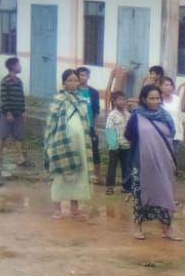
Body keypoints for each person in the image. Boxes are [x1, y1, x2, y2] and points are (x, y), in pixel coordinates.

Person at [125, 84, 180, 241]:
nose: (156, 101)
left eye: (158, 98)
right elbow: (129, 137)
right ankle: (138, 227)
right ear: (144, 99)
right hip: (142, 164)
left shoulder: (166, 117)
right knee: (141, 194)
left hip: (164, 164)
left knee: (165, 193)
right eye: (152, 98)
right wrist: (144, 151)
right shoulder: (136, 117)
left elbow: (171, 136)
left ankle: (167, 229)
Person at [44, 68, 93, 218]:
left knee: (79, 175)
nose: (73, 83)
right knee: (60, 175)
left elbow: (86, 122)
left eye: (75, 80)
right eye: (70, 80)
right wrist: (50, 142)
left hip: (80, 144)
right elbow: (51, 123)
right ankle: (57, 209)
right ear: (64, 82)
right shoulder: (58, 99)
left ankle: (74, 207)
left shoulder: (82, 100)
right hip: (61, 144)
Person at [0, 56, 29, 170]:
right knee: (3, 136)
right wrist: (8, 112)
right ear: (13, 67)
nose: (20, 67)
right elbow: (4, 98)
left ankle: (22, 157)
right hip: (7, 114)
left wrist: (23, 111)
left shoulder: (19, 81)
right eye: (19, 65)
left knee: (18, 136)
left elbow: (21, 97)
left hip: (18, 112)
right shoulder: (5, 81)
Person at [75, 67, 102, 182]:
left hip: (89, 126)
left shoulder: (93, 92)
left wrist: (94, 125)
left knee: (94, 150)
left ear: (88, 77)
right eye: (81, 75)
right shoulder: (73, 91)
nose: (83, 77)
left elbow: (96, 110)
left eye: (85, 75)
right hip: (76, 126)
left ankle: (97, 175)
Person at [103, 92, 132, 195]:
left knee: (127, 167)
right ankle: (110, 186)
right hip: (115, 146)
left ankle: (127, 187)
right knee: (112, 167)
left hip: (126, 145)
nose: (123, 101)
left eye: (124, 99)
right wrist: (114, 145)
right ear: (114, 101)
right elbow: (109, 130)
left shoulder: (128, 114)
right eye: (120, 99)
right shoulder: (112, 115)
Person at [160, 76, 184, 157]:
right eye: (166, 85)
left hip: (176, 136)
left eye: (170, 85)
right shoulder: (158, 100)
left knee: (174, 161)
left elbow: (179, 118)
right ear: (160, 87)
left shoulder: (176, 99)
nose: (169, 87)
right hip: (162, 136)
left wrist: (181, 135)